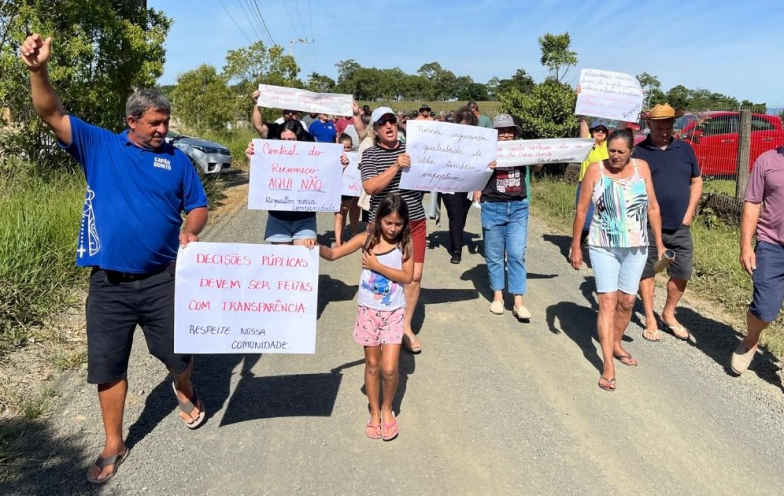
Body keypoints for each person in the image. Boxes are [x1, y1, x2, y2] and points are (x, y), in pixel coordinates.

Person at [20, 34, 209, 484]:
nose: (163, 129)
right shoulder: (99, 146)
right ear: (132, 122)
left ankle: (182, 388)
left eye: (165, 122)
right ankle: (113, 441)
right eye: (155, 123)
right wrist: (37, 70)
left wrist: (192, 228)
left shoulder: (178, 161)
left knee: (179, 353)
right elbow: (52, 112)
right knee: (109, 367)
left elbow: (197, 204)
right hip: (109, 285)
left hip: (164, 277)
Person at [570, 129, 665, 391]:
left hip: (636, 245)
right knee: (608, 302)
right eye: (612, 150)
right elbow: (581, 210)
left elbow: (653, 207)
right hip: (603, 245)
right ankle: (608, 364)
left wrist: (659, 242)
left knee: (627, 302)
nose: (615, 156)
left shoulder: (641, 168)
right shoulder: (595, 170)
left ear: (631, 151)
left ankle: (615, 342)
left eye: (621, 152)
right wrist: (575, 245)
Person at [319, 194, 414, 441]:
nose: (393, 229)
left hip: (394, 313)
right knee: (372, 365)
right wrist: (314, 246)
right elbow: (333, 255)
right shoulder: (366, 239)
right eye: (388, 222)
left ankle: (387, 408)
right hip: (368, 312)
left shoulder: (405, 245)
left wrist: (376, 266)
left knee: (390, 367)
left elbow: (407, 277)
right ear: (379, 218)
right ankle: (374, 411)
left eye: (398, 224)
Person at [633, 103, 703, 342]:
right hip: (647, 226)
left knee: (682, 272)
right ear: (649, 124)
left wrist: (689, 214)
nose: (665, 130)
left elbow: (697, 181)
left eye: (669, 126)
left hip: (680, 225)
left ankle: (668, 313)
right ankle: (650, 318)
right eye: (660, 126)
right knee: (648, 271)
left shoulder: (685, 149)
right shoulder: (638, 152)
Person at [361, 106, 426, 354]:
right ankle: (378, 326)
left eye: (392, 121)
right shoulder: (370, 155)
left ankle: (404, 328)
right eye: (383, 123)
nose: (389, 126)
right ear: (375, 130)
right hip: (382, 226)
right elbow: (370, 187)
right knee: (381, 276)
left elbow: (440, 170)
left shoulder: (413, 150)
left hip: (414, 221)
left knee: (414, 276)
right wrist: (396, 166)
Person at [247, 119, 348, 247]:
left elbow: (326, 179)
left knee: (303, 263)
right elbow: (257, 181)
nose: (287, 144)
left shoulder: (312, 157)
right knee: (282, 263)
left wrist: (340, 167)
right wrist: (253, 160)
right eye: (284, 140)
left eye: (291, 140)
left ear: (299, 139)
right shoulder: (272, 158)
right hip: (277, 219)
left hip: (305, 220)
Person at [731, 146, 784, 374]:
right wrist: (745, 245)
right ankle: (751, 340)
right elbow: (752, 203)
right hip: (772, 245)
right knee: (763, 309)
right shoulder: (768, 161)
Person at [475, 114, 532, 320]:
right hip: (493, 206)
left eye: (510, 130)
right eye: (501, 131)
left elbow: (539, 165)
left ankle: (518, 301)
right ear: (494, 134)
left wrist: (537, 159)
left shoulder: (523, 149)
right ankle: (498, 296)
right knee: (495, 255)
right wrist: (485, 167)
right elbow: (472, 173)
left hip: (518, 206)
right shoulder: (484, 152)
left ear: (516, 133)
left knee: (517, 254)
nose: (506, 134)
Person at [442, 105, 478, 264]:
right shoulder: (447, 139)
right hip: (450, 181)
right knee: (455, 214)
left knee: (462, 213)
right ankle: (457, 249)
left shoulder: (478, 140)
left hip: (469, 182)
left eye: (468, 126)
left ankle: (456, 237)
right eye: (462, 125)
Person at [335, 133, 361, 246]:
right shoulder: (334, 157)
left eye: (348, 147)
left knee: (345, 212)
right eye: (344, 147)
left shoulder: (355, 157)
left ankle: (345, 235)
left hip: (349, 190)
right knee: (338, 214)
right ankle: (338, 241)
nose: (346, 149)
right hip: (337, 190)